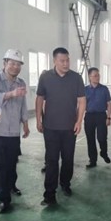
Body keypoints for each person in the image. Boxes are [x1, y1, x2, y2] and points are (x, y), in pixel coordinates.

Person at [36, 47, 85, 207]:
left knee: (68, 159)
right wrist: (38, 119)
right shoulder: (45, 77)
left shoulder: (76, 78)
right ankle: (49, 194)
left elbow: (82, 100)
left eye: (67, 60)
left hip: (70, 127)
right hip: (50, 127)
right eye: (62, 61)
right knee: (51, 161)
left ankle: (65, 183)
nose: (66, 64)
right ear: (54, 61)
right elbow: (39, 98)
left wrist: (79, 121)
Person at [0, 49, 30, 214]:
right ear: (5, 63)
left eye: (18, 64)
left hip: (13, 130)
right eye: (12, 63)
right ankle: (3, 199)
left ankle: (11, 185)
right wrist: (11, 94)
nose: (15, 67)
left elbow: (23, 104)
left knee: (11, 163)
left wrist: (25, 123)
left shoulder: (21, 82)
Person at [84, 67, 111, 168]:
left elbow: (108, 104)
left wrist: (108, 117)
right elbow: (81, 104)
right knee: (90, 139)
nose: (97, 77)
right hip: (89, 116)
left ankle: (103, 153)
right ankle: (93, 160)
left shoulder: (104, 89)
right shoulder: (85, 90)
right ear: (90, 77)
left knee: (102, 137)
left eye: (98, 75)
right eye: (95, 75)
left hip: (101, 116)